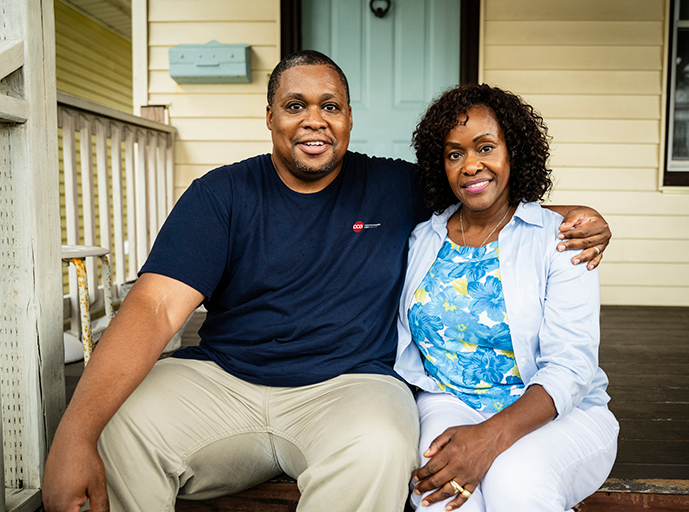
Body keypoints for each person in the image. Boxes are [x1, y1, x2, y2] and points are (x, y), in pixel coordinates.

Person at [42, 51, 611, 512]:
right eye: (295, 105)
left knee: (385, 448)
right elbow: (155, 310)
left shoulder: (395, 187)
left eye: (330, 105)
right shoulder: (221, 196)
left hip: (349, 387)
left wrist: (573, 217)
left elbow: (483, 197)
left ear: (348, 118)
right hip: (224, 382)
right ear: (270, 117)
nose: (314, 119)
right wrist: (74, 435)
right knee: (120, 427)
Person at [395, 84, 619, 512]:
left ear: (513, 152)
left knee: (516, 484)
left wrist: (489, 438)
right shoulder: (422, 238)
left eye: (485, 147)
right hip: (448, 401)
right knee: (438, 496)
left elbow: (571, 366)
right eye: (454, 154)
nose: (470, 165)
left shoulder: (562, 240)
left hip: (557, 412)